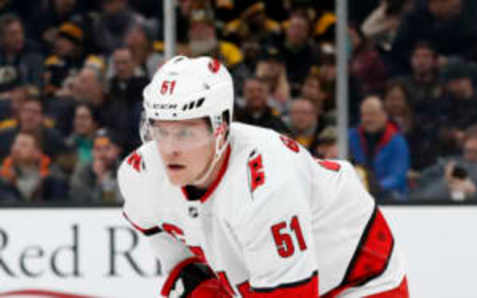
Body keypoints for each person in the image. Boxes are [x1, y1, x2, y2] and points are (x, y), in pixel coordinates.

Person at [118, 56, 409, 297]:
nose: (170, 149)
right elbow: (182, 266)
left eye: (186, 132)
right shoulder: (141, 174)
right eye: (161, 131)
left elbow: (292, 294)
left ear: (220, 130)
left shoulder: (266, 186)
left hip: (359, 281)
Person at [349, 96, 410, 199]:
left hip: (389, 197)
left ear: (384, 115)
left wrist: (374, 187)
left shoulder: (396, 141)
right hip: (358, 194)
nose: (367, 119)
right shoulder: (351, 138)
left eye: (372, 114)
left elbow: (397, 177)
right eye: (364, 115)